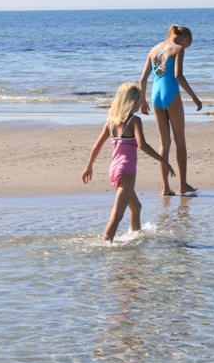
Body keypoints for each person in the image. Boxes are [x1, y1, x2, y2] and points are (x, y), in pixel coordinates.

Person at [82, 82, 175, 242]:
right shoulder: (134, 121)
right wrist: (163, 161)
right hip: (127, 171)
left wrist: (89, 166)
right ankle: (106, 242)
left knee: (136, 207)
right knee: (117, 214)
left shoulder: (110, 123)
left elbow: (97, 146)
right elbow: (142, 145)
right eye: (140, 99)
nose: (141, 103)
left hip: (114, 170)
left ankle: (136, 237)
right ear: (133, 101)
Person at [139, 24, 202, 195]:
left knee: (164, 143)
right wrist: (194, 97)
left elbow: (143, 79)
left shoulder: (153, 50)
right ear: (185, 39)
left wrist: (143, 100)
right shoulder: (178, 49)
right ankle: (183, 185)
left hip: (155, 96)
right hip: (171, 94)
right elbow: (178, 75)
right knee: (180, 141)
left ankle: (165, 187)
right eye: (187, 44)